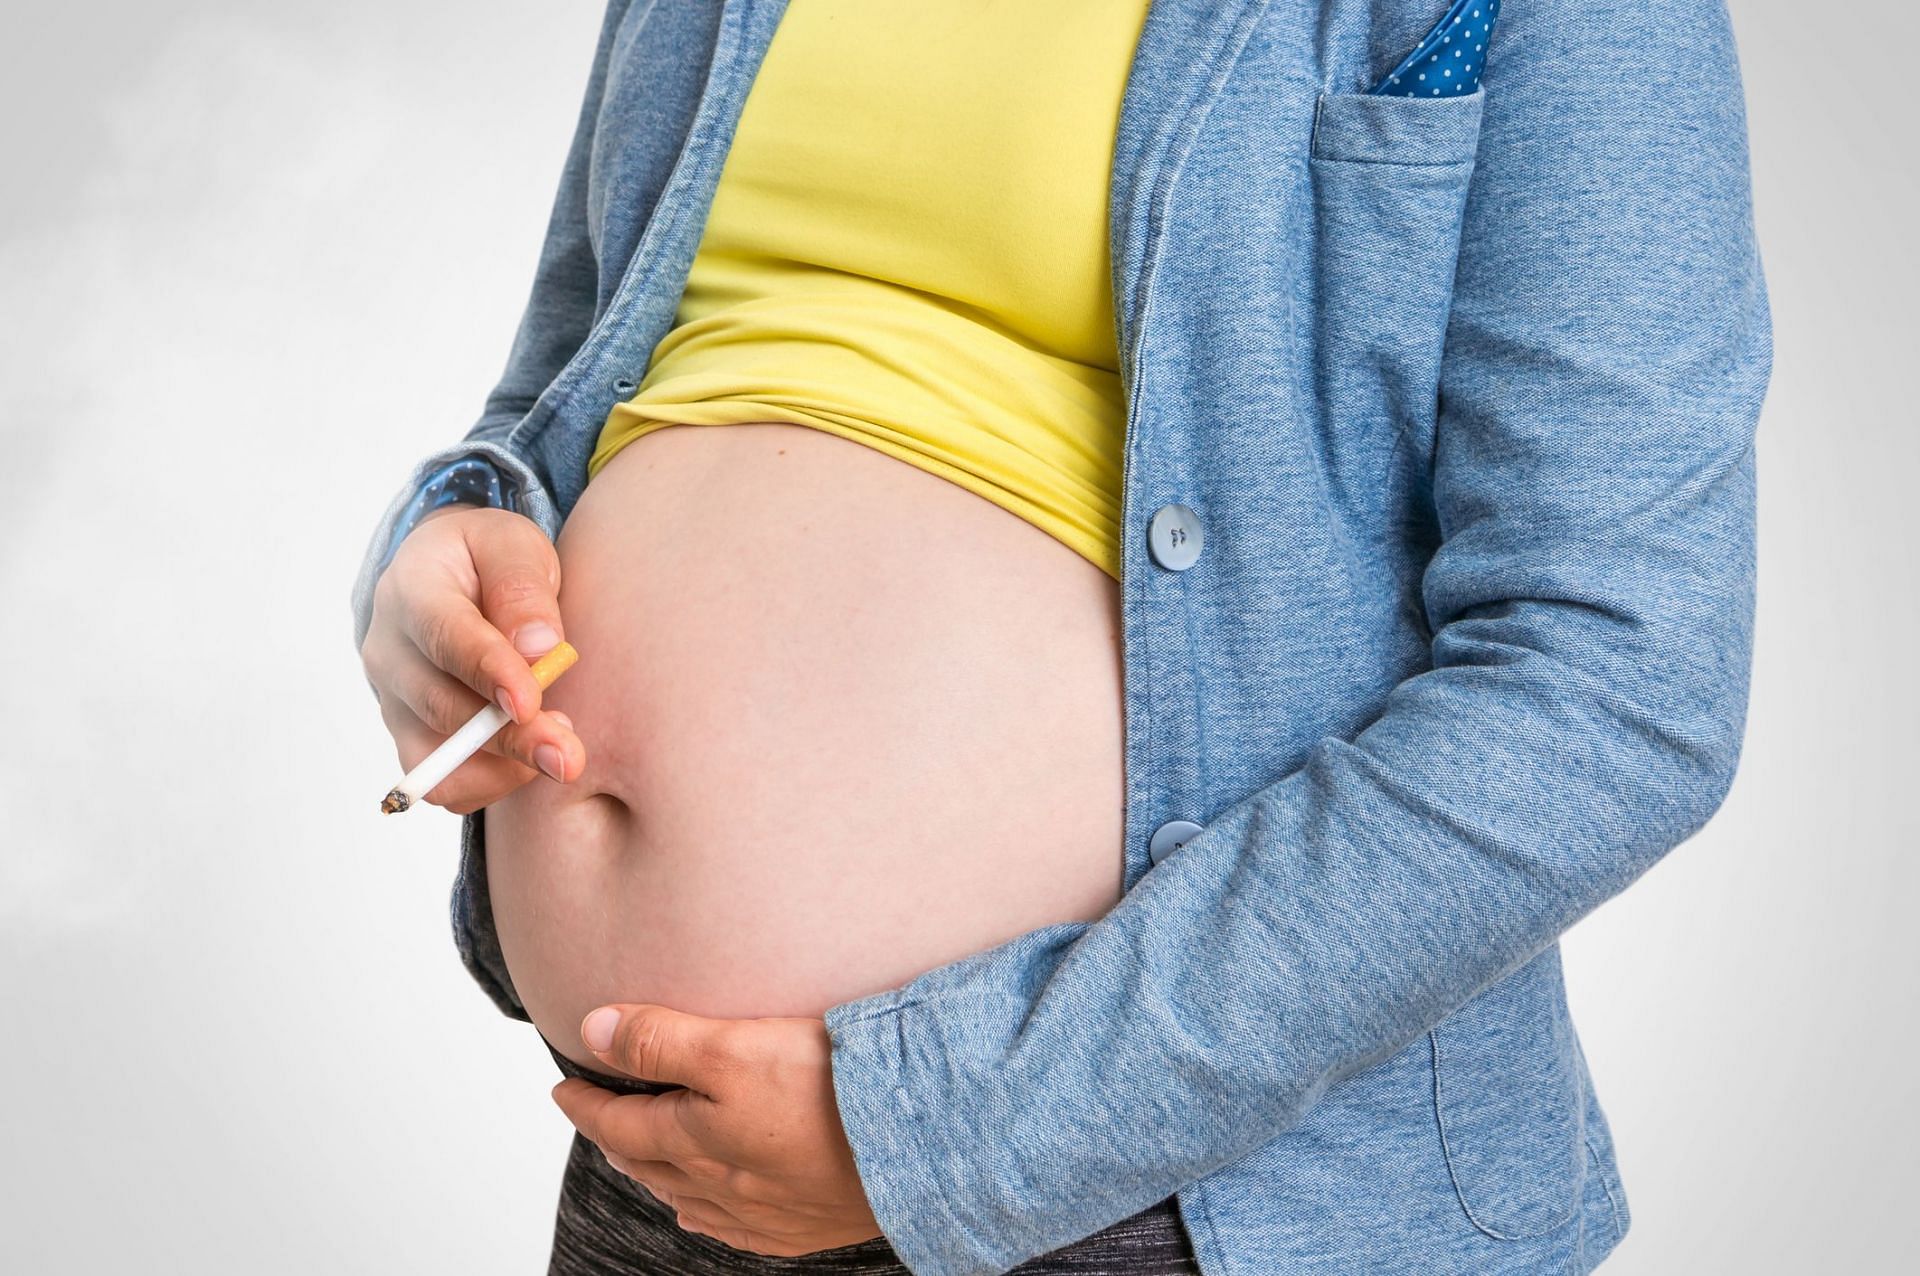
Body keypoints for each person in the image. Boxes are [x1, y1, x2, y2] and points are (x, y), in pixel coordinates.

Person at [351, 1, 1770, 1273]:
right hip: (665, 1172)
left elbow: (1616, 678)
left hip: (1162, 1194)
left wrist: (948, 1128)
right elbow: (565, 385)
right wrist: (451, 536)